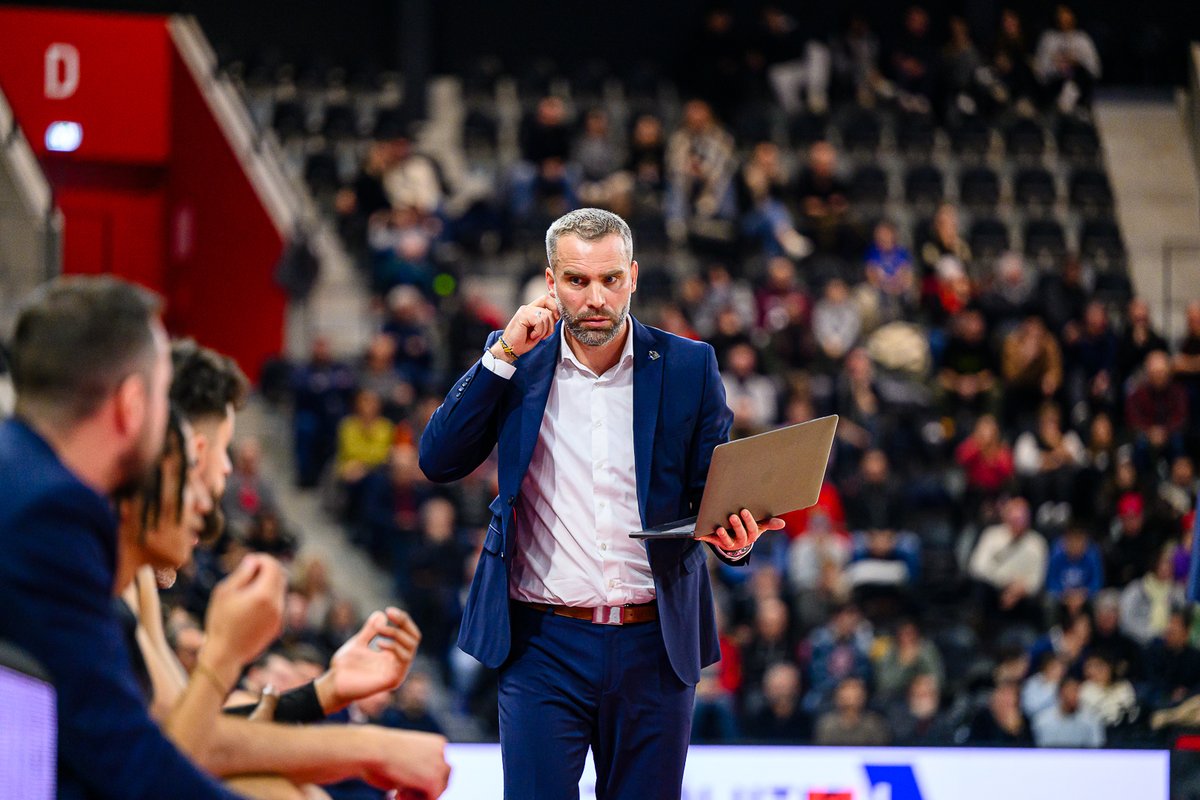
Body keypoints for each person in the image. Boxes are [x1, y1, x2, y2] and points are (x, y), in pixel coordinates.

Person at [419, 208, 785, 799]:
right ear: (551, 282)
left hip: (655, 642)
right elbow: (438, 459)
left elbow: (711, 495)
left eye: (610, 279)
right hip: (541, 645)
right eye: (577, 280)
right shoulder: (517, 360)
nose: (596, 298)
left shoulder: (689, 366)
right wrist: (501, 353)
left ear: (633, 277)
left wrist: (736, 540)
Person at [0, 276, 240, 799]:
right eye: (162, 397)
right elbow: (128, 758)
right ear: (131, 405)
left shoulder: (23, 476)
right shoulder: (52, 513)